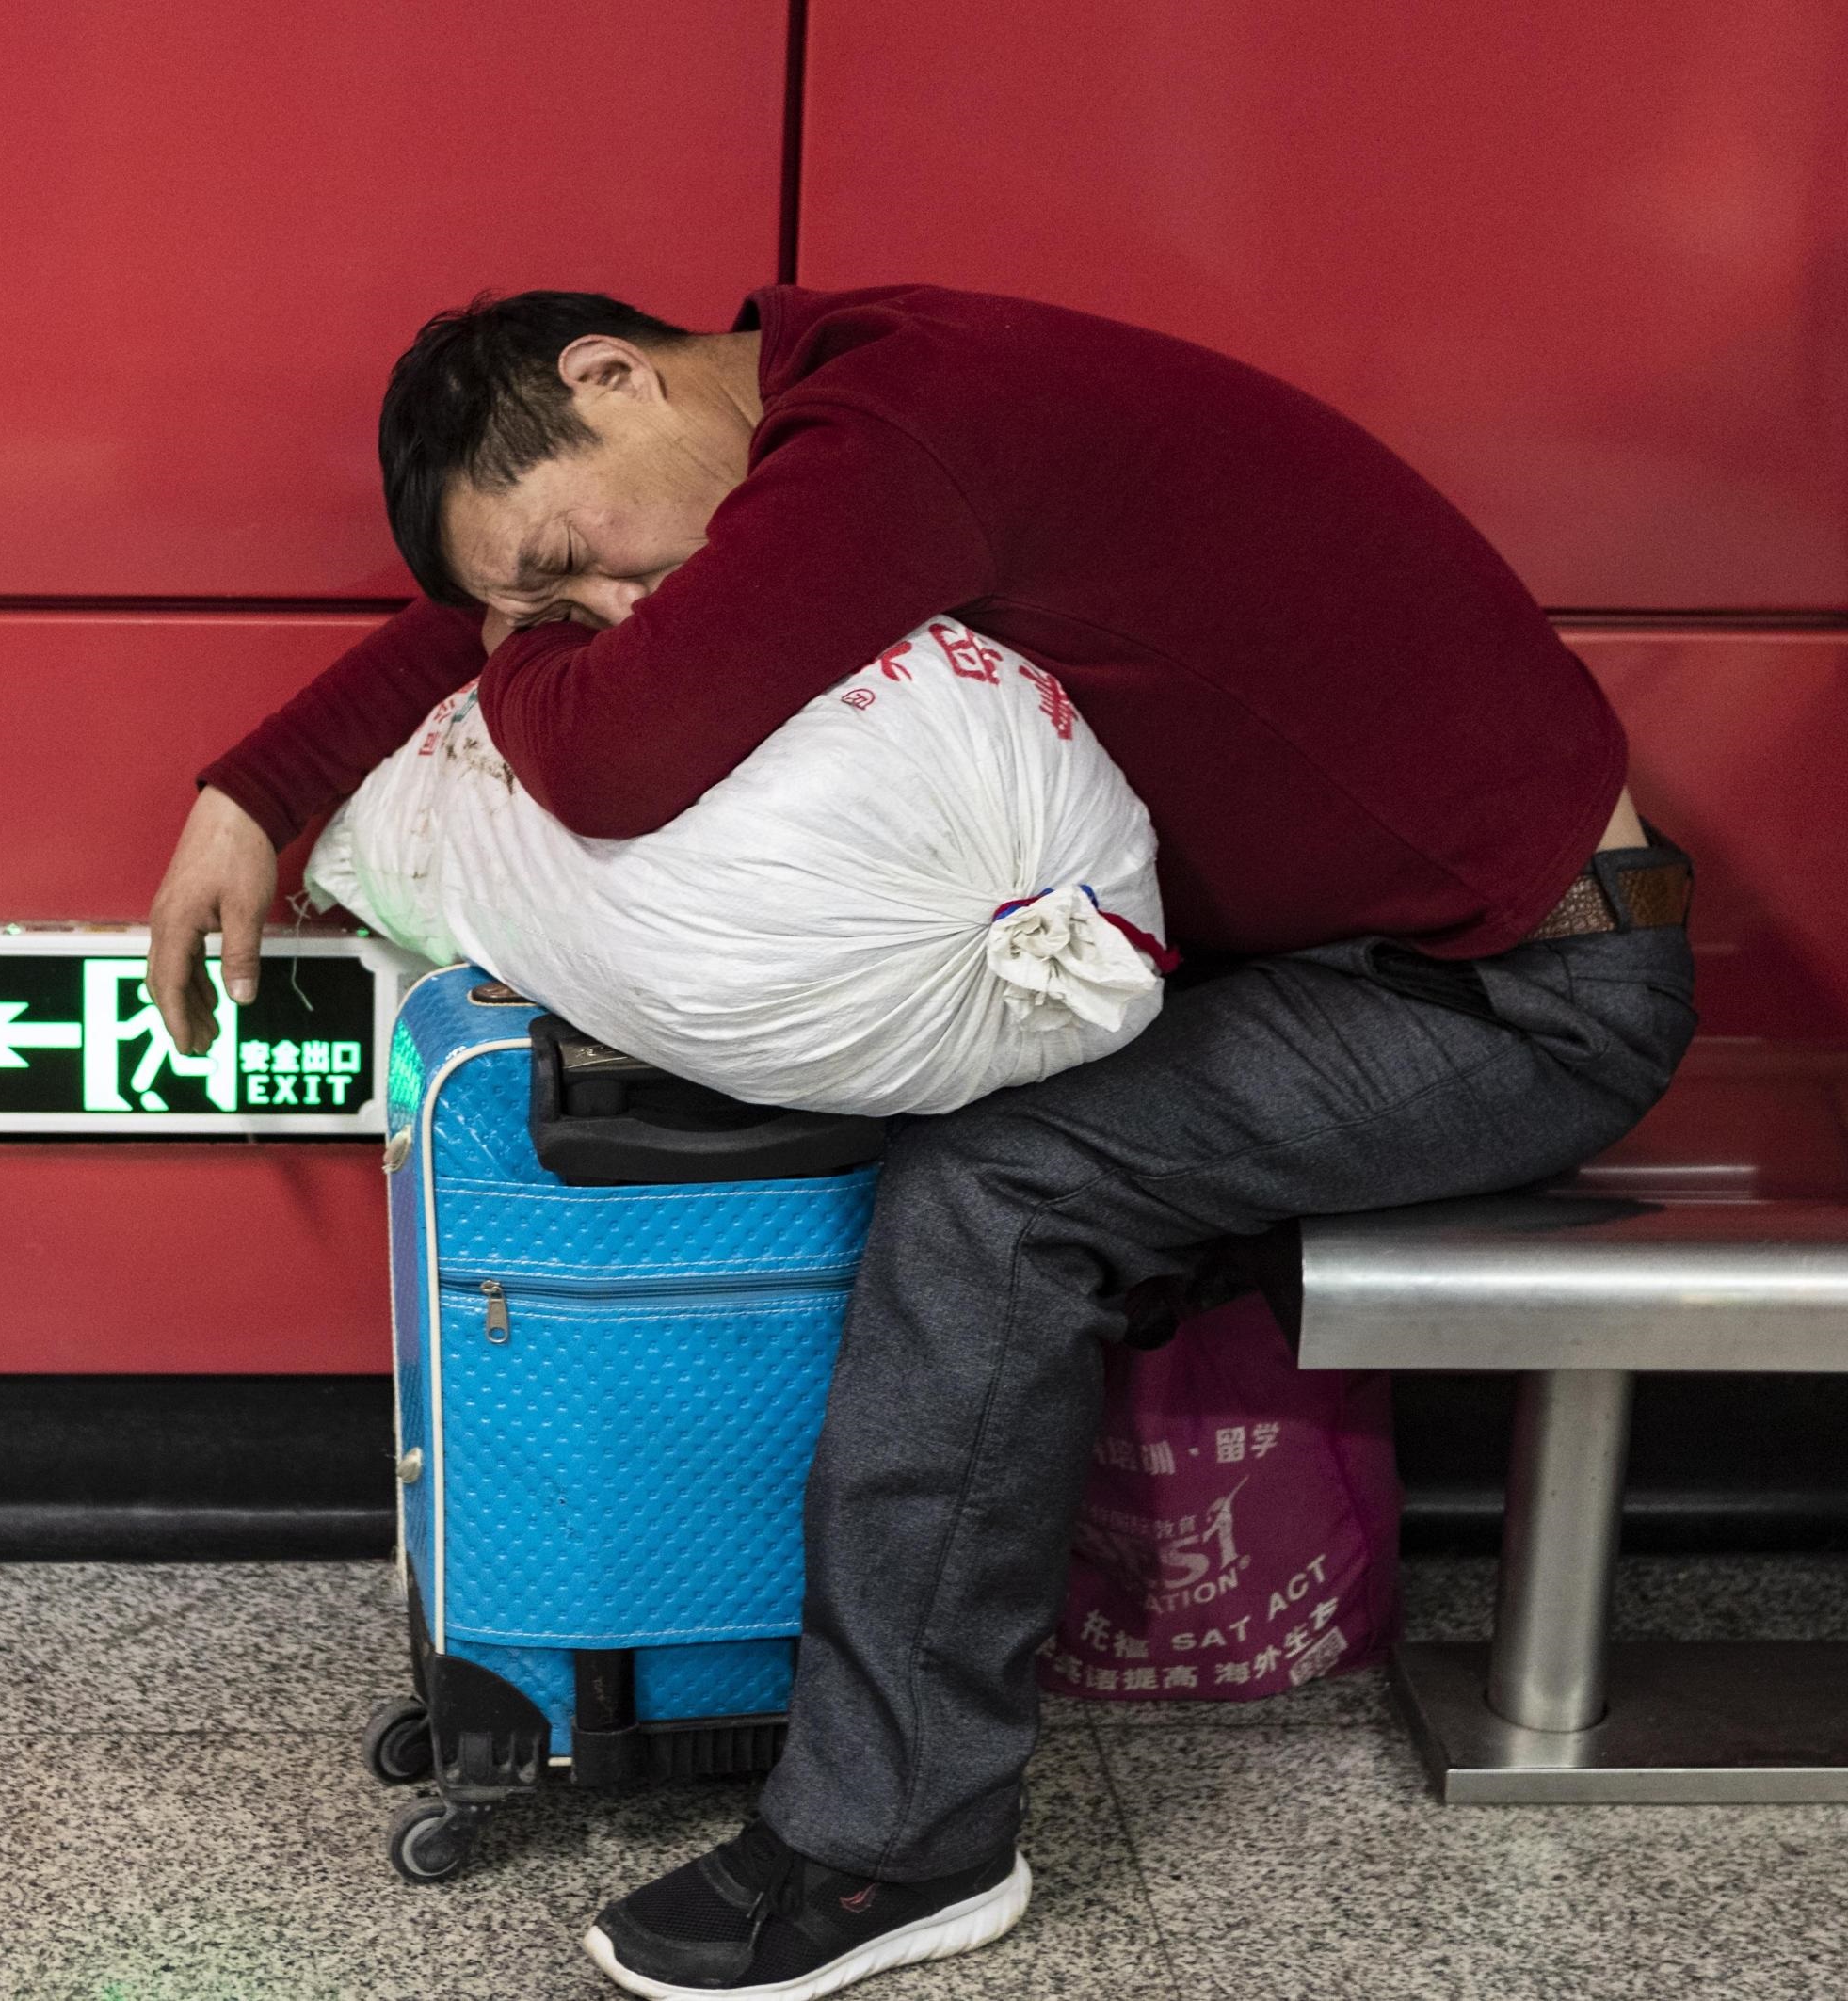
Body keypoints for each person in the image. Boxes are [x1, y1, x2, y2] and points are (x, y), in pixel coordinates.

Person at [143, 286, 1695, 1998]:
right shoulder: (850, 404)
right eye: (555, 600)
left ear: (613, 374)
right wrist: (260, 787)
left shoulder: (901, 436)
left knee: (1001, 1192)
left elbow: (617, 750)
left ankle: (900, 1847)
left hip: (1515, 992)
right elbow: (556, 617)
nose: (601, 608)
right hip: (1377, 951)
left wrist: (520, 657)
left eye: (580, 554)